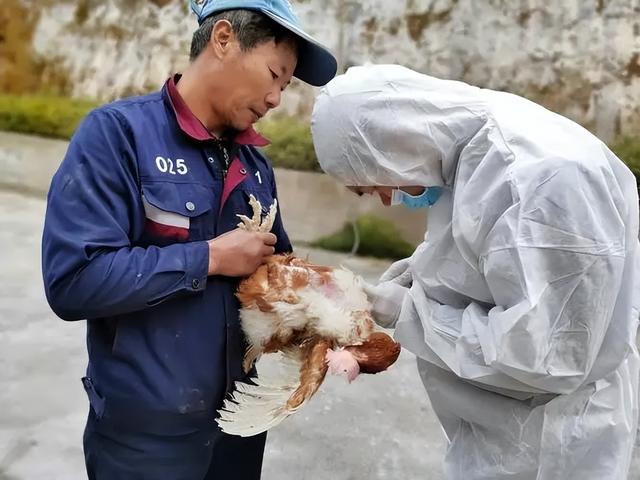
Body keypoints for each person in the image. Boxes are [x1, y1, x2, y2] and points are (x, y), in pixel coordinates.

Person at [41, 1, 336, 478]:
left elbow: (279, 276)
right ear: (223, 40)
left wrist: (331, 318)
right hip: (145, 441)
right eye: (274, 74)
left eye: (286, 85)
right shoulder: (118, 136)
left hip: (240, 426)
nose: (278, 97)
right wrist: (209, 258)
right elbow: (74, 280)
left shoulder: (255, 166)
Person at [311, 64, 640, 480]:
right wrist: (421, 272)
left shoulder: (538, 179)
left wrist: (410, 313)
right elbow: (482, 256)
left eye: (372, 184)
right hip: (500, 432)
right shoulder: (465, 154)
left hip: (551, 443)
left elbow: (548, 355)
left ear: (391, 142)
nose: (385, 200)